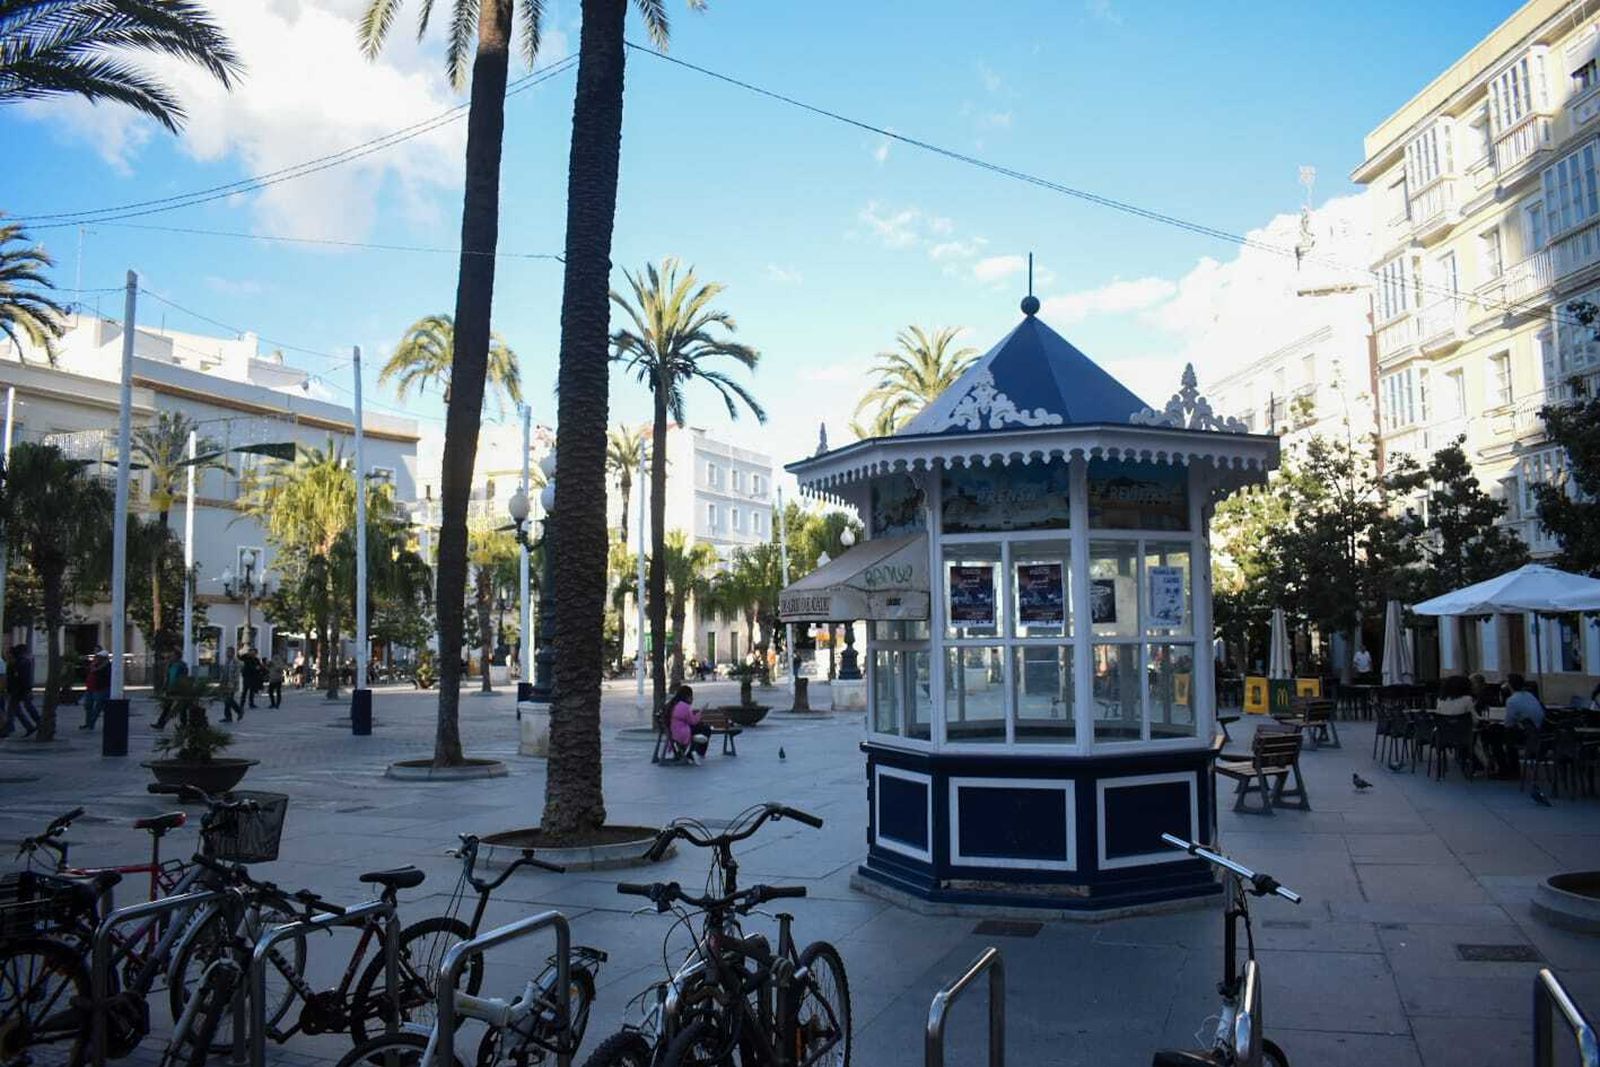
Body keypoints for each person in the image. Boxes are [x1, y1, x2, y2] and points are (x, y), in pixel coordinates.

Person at [668, 684, 710, 762]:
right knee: (706, 729)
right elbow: (693, 721)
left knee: (702, 727)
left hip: (674, 730)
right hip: (681, 732)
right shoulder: (684, 706)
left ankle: (692, 753)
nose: (692, 698)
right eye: (691, 696)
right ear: (687, 696)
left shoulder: (674, 704)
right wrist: (701, 711)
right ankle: (697, 753)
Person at [5, 645, 40, 737]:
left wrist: (23, 689)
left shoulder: (19, 663)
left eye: (8, 653)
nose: (6, 655)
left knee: (20, 708)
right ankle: (34, 725)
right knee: (20, 709)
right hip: (19, 690)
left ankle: (34, 724)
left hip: (19, 690)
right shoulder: (20, 662)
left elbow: (18, 678)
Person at [80, 651, 111, 730]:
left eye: (99, 657)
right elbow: (88, 671)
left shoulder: (107, 667)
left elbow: (102, 676)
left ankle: (91, 723)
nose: (97, 658)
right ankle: (89, 723)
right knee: (88, 706)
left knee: (98, 707)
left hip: (101, 688)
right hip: (91, 688)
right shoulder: (95, 664)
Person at [220, 647, 244, 723]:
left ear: (233, 653)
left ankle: (239, 711)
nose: (227, 653)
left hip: (231, 684)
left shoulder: (235, 662)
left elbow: (236, 674)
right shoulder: (227, 661)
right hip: (225, 683)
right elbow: (225, 672)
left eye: (228, 652)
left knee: (229, 699)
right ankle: (228, 716)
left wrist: (233, 684)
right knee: (227, 700)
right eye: (227, 652)